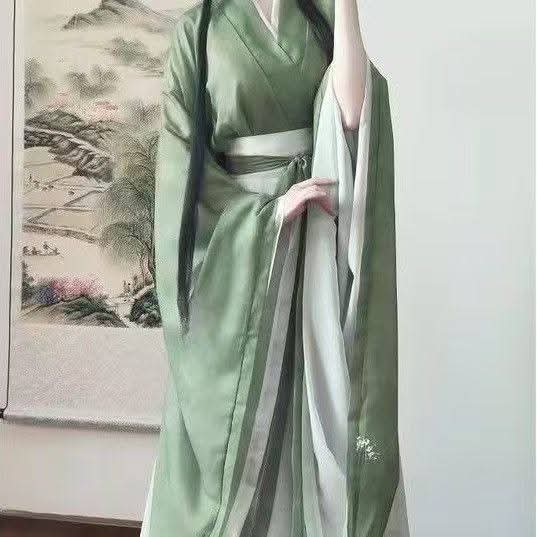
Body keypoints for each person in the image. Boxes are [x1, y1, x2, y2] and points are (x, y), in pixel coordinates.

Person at [141, 0, 409, 534]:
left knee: (326, 415)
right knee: (239, 423)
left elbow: (355, 119)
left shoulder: (320, 16)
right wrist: (267, 217)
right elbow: (181, 176)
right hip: (246, 251)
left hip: (318, 244)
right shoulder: (197, 32)